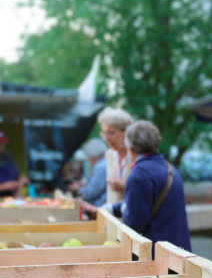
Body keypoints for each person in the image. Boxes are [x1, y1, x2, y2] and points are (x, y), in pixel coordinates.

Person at [85, 120, 191, 252]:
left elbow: (134, 224)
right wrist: (107, 209)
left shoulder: (138, 175)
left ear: (129, 147)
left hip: (157, 257)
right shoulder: (171, 169)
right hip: (179, 251)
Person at [97, 107, 133, 203]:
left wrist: (125, 187)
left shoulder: (137, 155)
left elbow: (147, 191)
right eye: (104, 133)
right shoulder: (109, 154)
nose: (106, 138)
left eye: (110, 133)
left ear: (126, 131)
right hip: (111, 216)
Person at [69, 139, 108, 207]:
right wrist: (85, 185)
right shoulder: (105, 162)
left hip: (100, 206)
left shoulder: (100, 167)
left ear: (91, 155)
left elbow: (93, 192)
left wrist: (79, 189)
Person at [0, 131, 29, 196]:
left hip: (10, 198)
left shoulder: (6, 155)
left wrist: (22, 180)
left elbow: (18, 175)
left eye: (3, 144)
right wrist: (5, 186)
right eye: (0, 144)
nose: (2, 147)